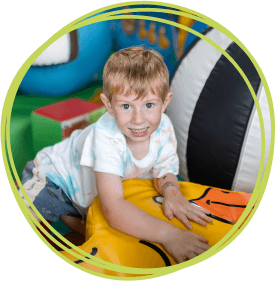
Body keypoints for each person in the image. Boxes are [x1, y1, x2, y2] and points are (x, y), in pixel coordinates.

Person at [18, 46, 212, 263]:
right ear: (108, 105)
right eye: (126, 106)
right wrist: (170, 235)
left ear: (165, 102)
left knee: (97, 240)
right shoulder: (106, 136)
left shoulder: (164, 127)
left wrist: (172, 193)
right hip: (54, 180)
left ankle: (71, 223)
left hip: (91, 194)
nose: (138, 119)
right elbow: (114, 209)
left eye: (149, 105)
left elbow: (164, 171)